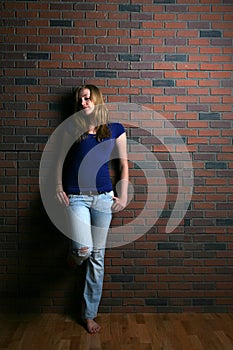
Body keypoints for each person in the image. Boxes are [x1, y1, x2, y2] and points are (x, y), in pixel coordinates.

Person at [55, 84, 128, 334]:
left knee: (98, 257)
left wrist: (124, 194)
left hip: (104, 198)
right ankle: (74, 256)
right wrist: (57, 186)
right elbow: (57, 159)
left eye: (86, 99)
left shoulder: (115, 129)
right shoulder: (72, 129)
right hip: (76, 198)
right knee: (84, 250)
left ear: (96, 99)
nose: (83, 103)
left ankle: (88, 315)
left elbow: (123, 165)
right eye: (80, 100)